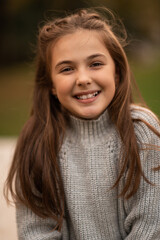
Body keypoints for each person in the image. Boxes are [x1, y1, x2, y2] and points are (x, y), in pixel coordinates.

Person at [4, 7, 160, 240]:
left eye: (95, 64)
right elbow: (35, 231)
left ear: (116, 72)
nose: (83, 79)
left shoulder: (142, 132)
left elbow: (151, 226)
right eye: (67, 69)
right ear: (52, 86)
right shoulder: (37, 140)